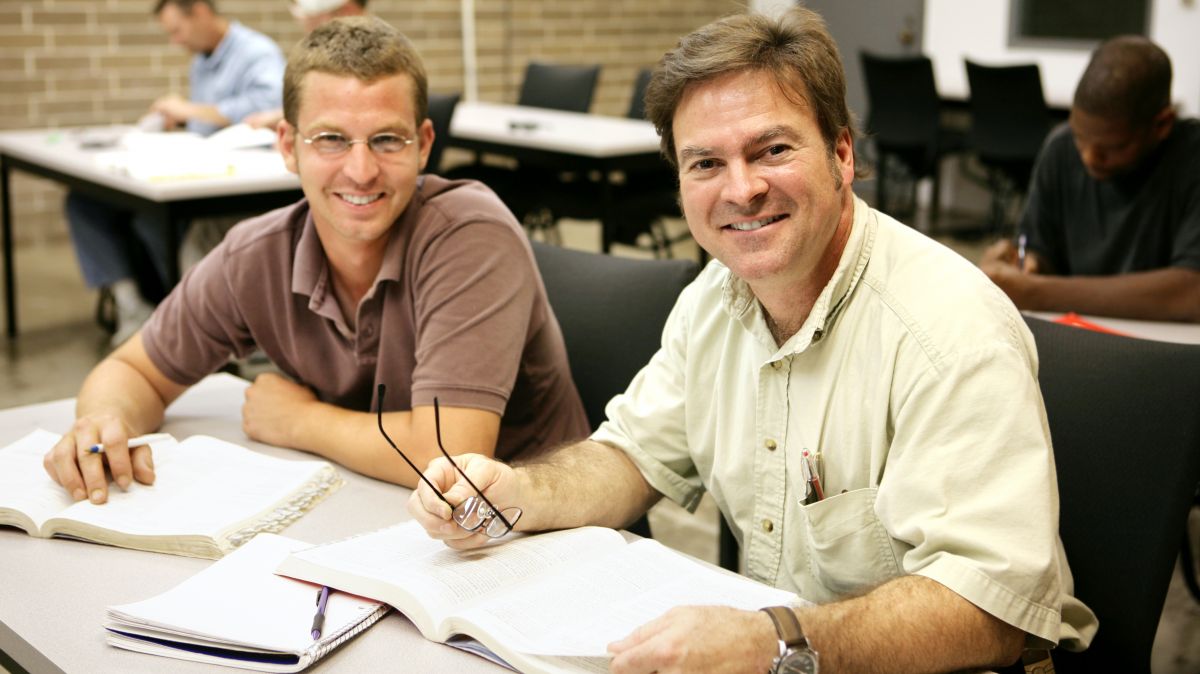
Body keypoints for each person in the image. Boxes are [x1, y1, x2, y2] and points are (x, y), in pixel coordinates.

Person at [408, 8, 1096, 674]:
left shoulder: (947, 330)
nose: (742, 189)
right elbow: (632, 457)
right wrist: (511, 491)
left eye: (772, 150)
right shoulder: (714, 299)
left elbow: (992, 613)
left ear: (842, 154)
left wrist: (774, 642)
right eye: (705, 163)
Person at [43, 17, 588, 508]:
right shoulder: (256, 254)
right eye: (330, 139)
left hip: (534, 535)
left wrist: (300, 421)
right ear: (287, 145)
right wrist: (104, 422)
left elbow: (450, 456)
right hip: (376, 510)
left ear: (423, 146)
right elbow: (132, 370)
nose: (361, 170)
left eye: (386, 140)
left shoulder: (469, 235)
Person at [68, 0, 287, 346]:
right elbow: (208, 120)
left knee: (151, 217)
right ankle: (133, 308)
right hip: (202, 164)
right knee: (84, 202)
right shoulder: (202, 61)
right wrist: (183, 119)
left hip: (238, 179)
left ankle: (194, 319)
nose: (175, 41)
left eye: (177, 30)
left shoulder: (256, 51)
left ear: (199, 11)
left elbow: (270, 106)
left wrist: (190, 109)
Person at [981, 35, 1200, 323]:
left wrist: (1036, 292)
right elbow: (1039, 250)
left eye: (1112, 148)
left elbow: (1190, 293)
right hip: (1077, 332)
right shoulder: (1061, 148)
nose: (1089, 158)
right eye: (1080, 139)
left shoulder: (1191, 158)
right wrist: (1026, 266)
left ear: (1162, 124)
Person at [243, 0, 369, 131]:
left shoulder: (371, 59)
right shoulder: (329, 55)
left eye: (311, 16)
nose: (302, 22)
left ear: (347, 11)